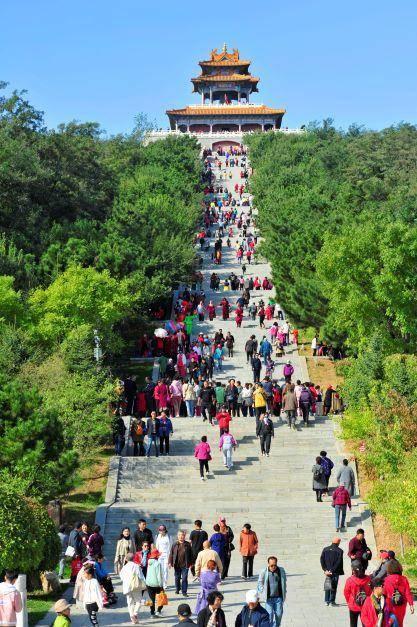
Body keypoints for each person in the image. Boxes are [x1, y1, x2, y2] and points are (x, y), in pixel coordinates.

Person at [383, 559, 414, 626]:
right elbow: (408, 593)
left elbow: (384, 593)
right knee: (400, 623)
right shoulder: (404, 579)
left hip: (390, 605)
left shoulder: (387, 579)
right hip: (401, 605)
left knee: (390, 623)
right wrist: (411, 605)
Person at [257, 556, 287, 626]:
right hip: (268, 599)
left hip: (278, 598)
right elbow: (260, 582)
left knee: (279, 615)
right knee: (269, 616)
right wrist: (262, 591)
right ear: (268, 564)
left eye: (275, 565)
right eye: (271, 565)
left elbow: (284, 582)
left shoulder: (281, 570)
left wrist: (284, 592)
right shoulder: (264, 571)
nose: (273, 567)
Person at [119, 553, 146, 625]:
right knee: (138, 601)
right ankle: (135, 613)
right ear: (133, 558)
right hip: (135, 586)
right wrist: (145, 584)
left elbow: (121, 577)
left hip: (127, 587)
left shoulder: (124, 567)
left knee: (130, 602)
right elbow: (141, 576)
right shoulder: (136, 566)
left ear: (126, 559)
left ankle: (132, 617)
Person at [344, 561, 372, 627]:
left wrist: (349, 602)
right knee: (365, 624)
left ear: (353, 570)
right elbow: (370, 591)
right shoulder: (368, 579)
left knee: (353, 624)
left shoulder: (350, 580)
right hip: (365, 605)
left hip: (353, 605)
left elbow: (346, 593)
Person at [320, 537, 344, 606]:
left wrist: (325, 570)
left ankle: (326, 601)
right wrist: (332, 570)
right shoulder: (340, 551)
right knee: (334, 586)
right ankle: (332, 601)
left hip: (327, 572)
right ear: (338, 542)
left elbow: (322, 560)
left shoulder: (325, 549)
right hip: (335, 572)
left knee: (327, 585)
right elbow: (338, 562)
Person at [169, 530, 192, 597]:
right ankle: (177, 588)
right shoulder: (174, 544)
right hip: (177, 564)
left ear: (184, 536)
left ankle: (184, 591)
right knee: (177, 578)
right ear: (177, 536)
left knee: (184, 578)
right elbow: (171, 554)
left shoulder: (187, 544)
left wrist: (191, 563)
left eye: (182, 535)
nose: (181, 536)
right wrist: (170, 562)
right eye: (179, 535)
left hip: (185, 565)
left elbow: (191, 554)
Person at [145, 549, 165, 618]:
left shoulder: (149, 562)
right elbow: (158, 576)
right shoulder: (157, 563)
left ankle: (152, 613)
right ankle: (158, 611)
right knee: (161, 598)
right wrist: (161, 586)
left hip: (148, 583)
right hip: (156, 584)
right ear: (156, 555)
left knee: (151, 599)